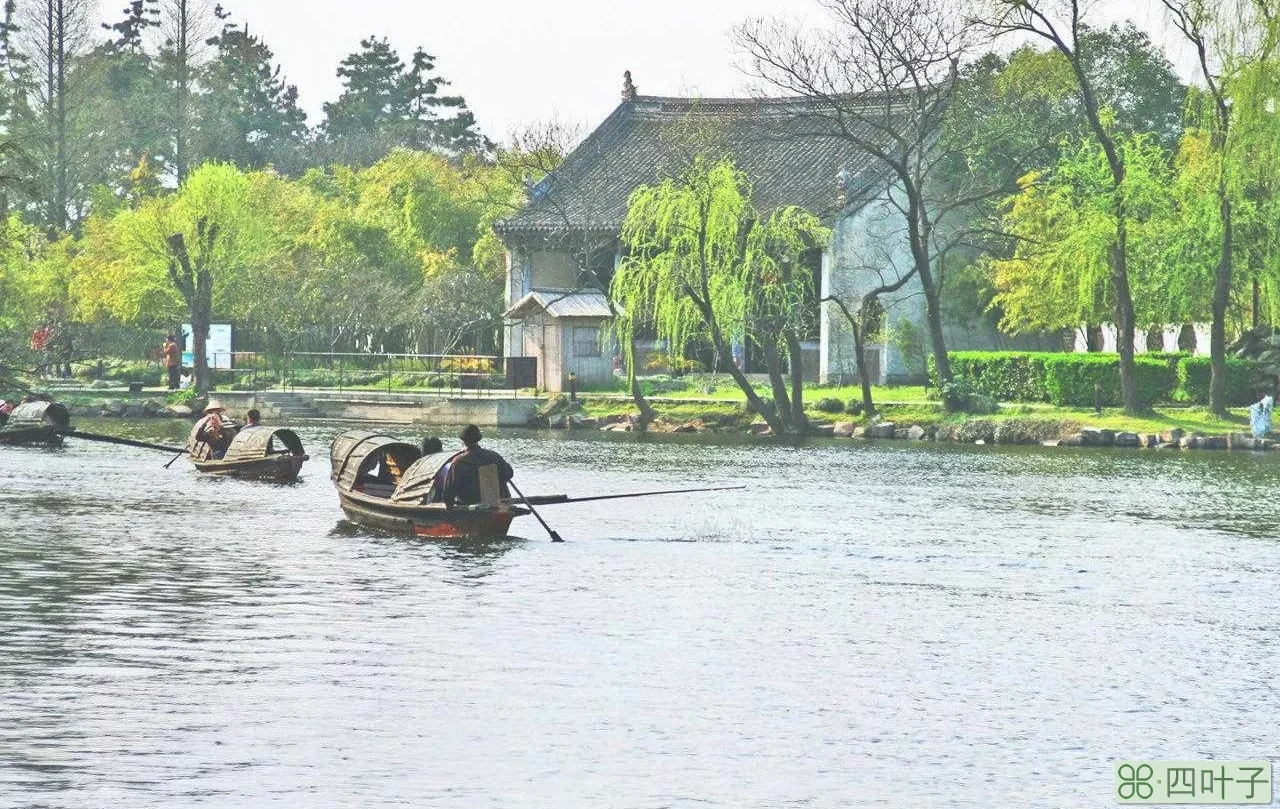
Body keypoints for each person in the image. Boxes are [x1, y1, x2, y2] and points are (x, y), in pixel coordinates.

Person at [442, 424, 514, 506]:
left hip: (471, 505)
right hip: (499, 504)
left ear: (464, 442)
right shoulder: (494, 456)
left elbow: (449, 492)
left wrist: (449, 506)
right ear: (478, 439)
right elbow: (509, 473)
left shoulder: (458, 462)